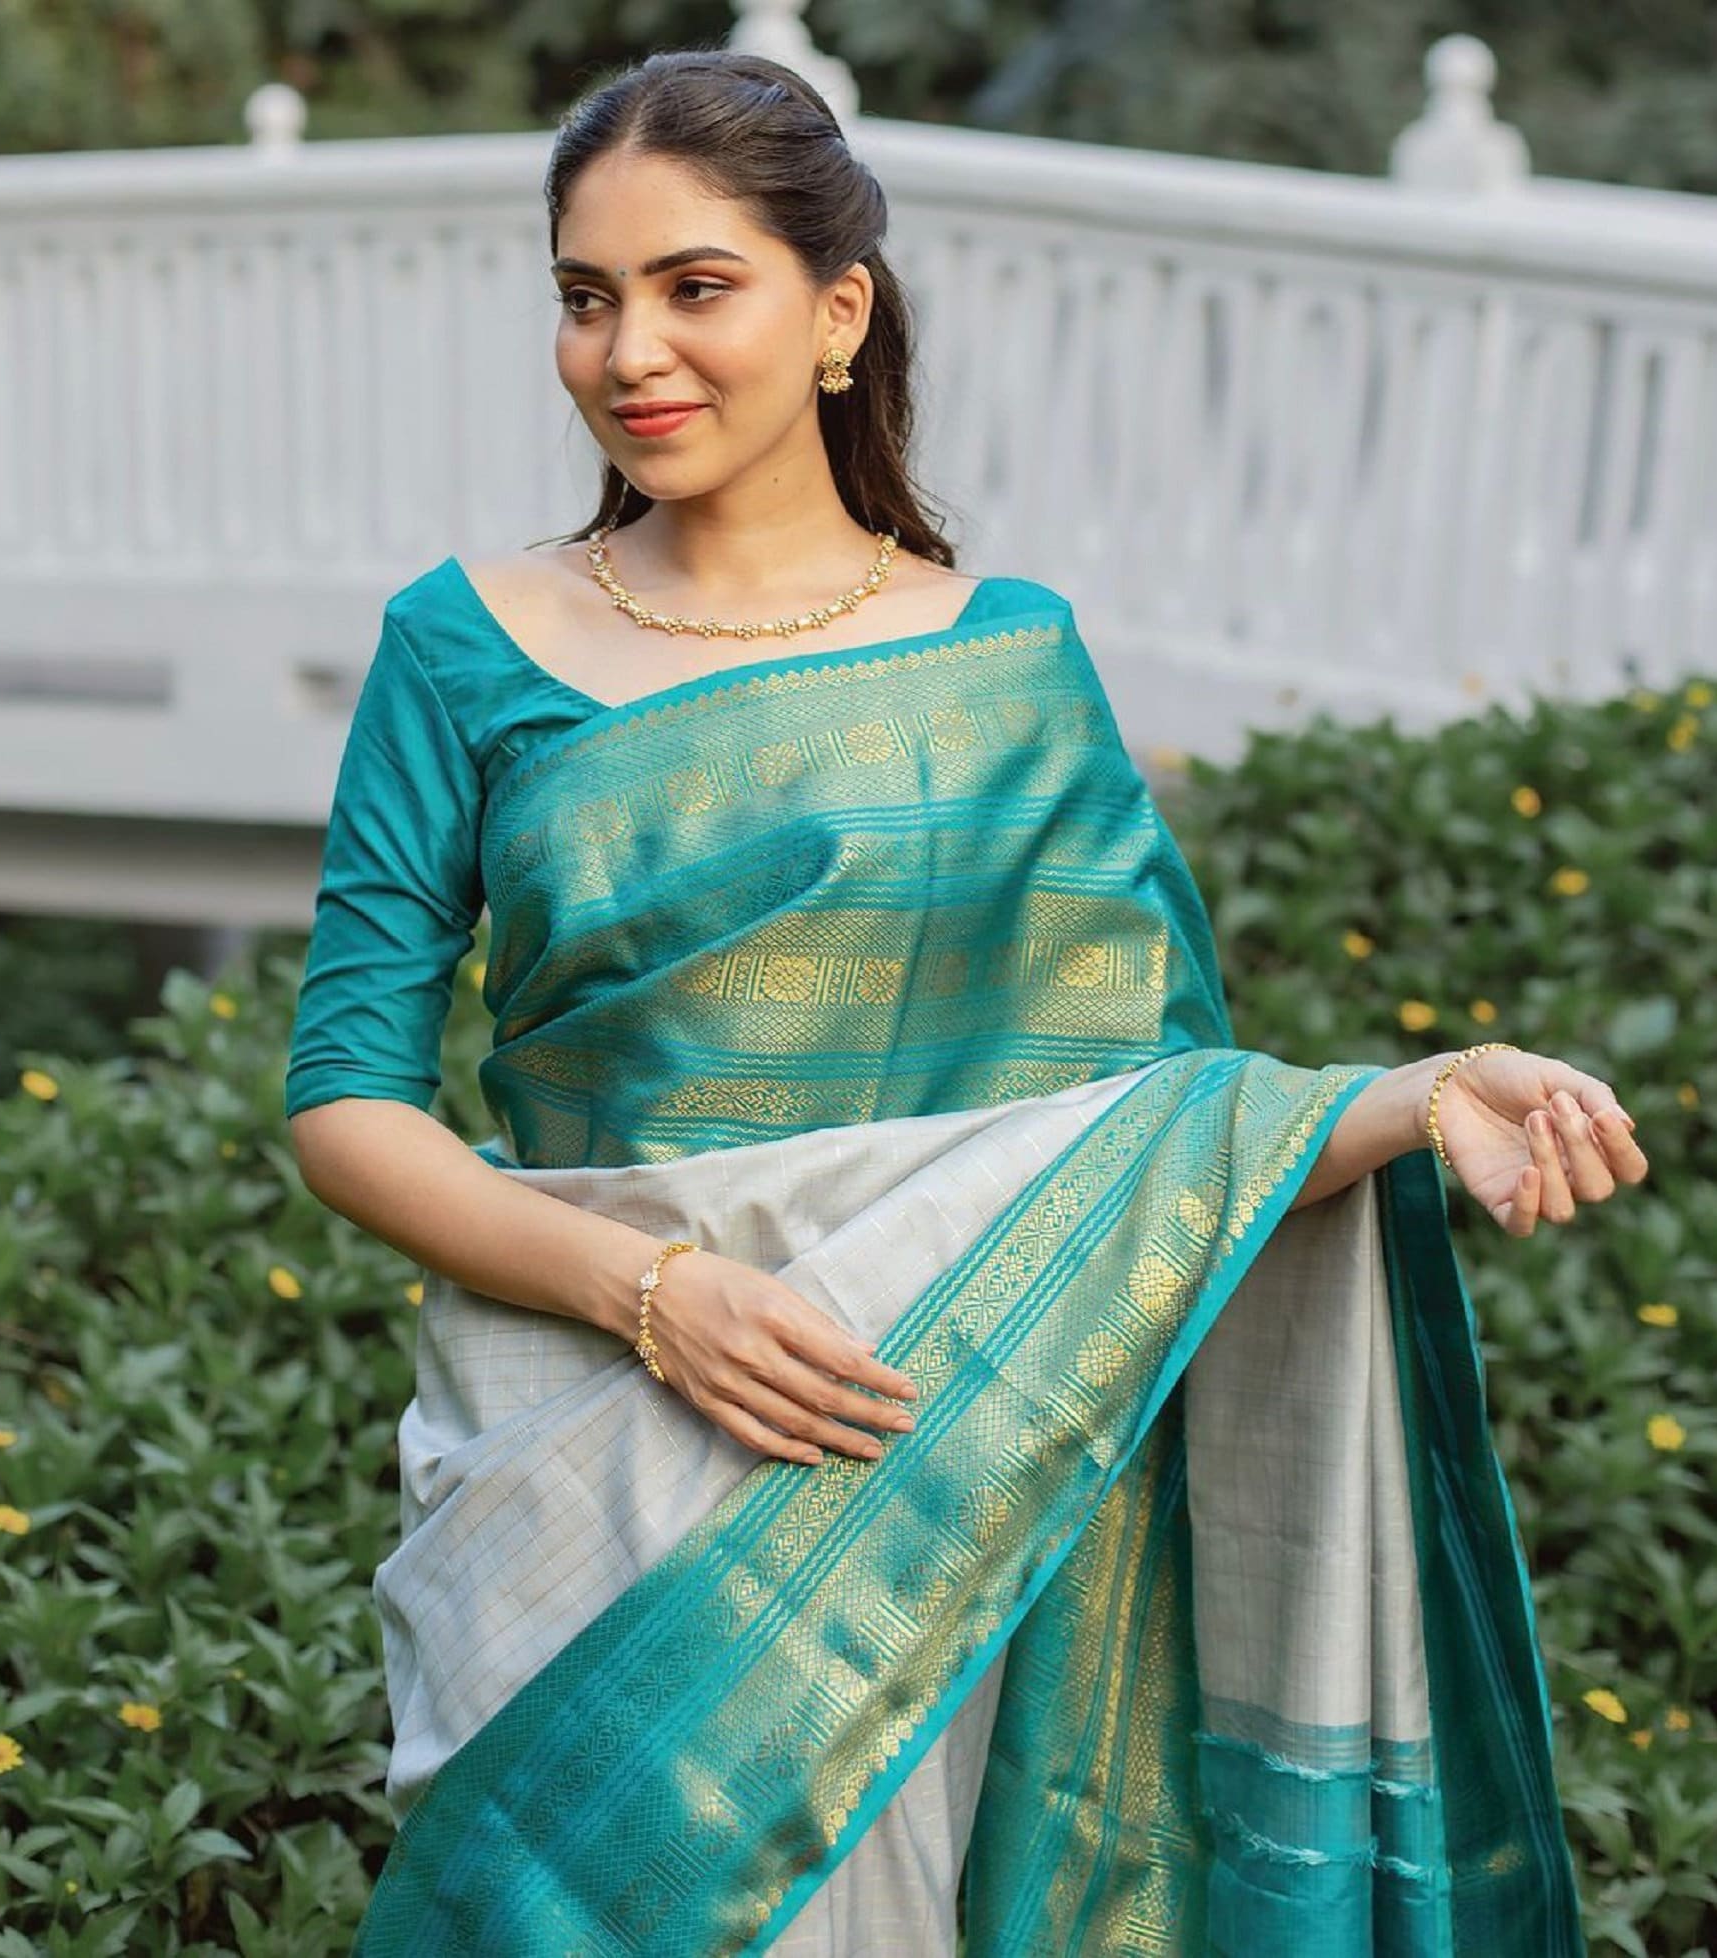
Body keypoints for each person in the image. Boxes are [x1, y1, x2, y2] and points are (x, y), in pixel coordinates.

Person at [284, 47, 1645, 1958]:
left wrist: (1415, 1100)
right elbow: (346, 1097)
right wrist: (653, 1291)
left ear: (837, 314)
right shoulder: (461, 643)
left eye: (695, 287)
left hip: (935, 1456)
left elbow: (1149, 1137)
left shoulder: (1009, 666)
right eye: (587, 297)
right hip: (589, 1456)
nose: (629, 352)